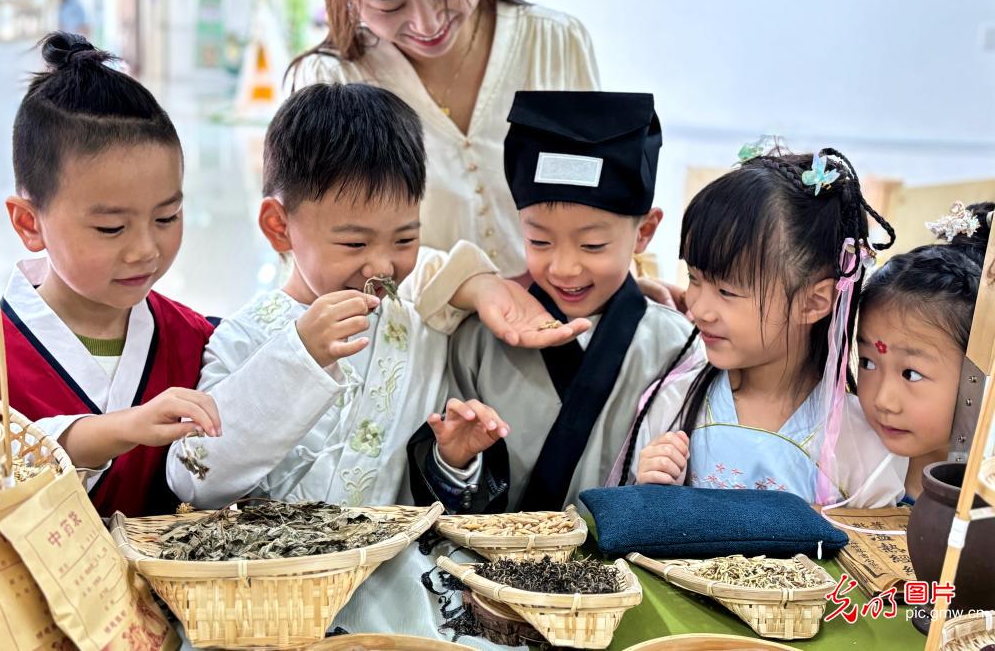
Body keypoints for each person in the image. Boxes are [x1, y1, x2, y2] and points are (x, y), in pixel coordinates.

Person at [166, 82, 588, 510]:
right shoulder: (243, 338)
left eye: (405, 239)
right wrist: (301, 355)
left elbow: (449, 270)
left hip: (401, 570)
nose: (382, 268)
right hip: (271, 572)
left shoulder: (419, 313)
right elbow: (194, 478)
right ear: (279, 226)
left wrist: (452, 459)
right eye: (354, 244)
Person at [407, 90, 702, 514]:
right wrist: (455, 459)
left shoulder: (677, 345)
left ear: (644, 232)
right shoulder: (477, 339)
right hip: (492, 574)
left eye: (593, 244)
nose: (564, 267)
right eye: (539, 240)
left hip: (625, 570)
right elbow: (444, 501)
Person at [289, 0, 599, 278]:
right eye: (390, 5)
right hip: (406, 334)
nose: (428, 23)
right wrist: (466, 286)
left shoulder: (554, 43)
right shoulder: (330, 81)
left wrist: (616, 283)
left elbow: (597, 203)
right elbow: (321, 256)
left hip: (558, 324)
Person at [3, 32, 219, 517]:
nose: (145, 249)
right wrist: (117, 430)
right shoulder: (0, 351)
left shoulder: (196, 339)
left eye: (166, 218)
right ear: (28, 223)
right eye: (111, 227)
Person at [626, 141, 907, 507]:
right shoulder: (672, 404)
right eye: (694, 278)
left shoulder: (861, 441)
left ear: (815, 301)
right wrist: (650, 491)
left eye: (727, 291)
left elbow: (871, 558)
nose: (699, 307)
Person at [857, 201, 993, 502]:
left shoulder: (987, 496)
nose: (883, 400)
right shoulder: (847, 457)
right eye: (867, 363)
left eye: (911, 373)